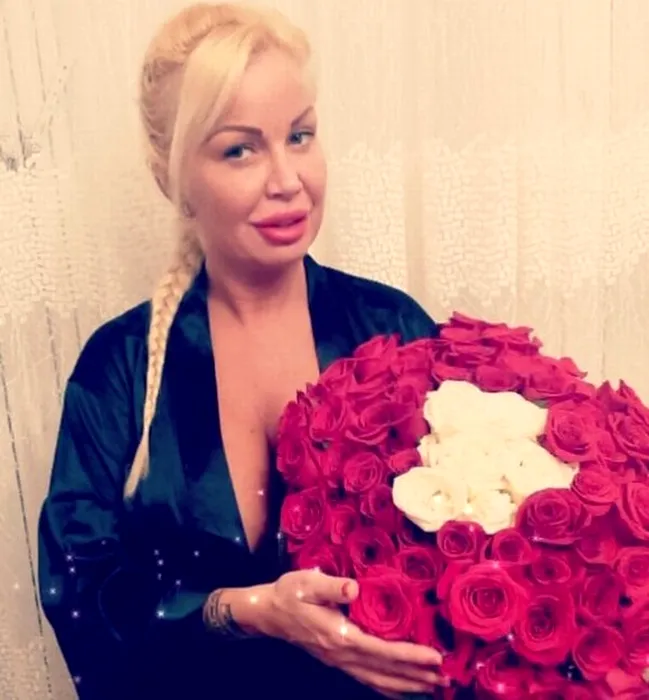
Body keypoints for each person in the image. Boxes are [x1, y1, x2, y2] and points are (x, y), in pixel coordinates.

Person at [38, 4, 447, 699]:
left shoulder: (392, 330)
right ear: (173, 178)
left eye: (300, 135)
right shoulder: (120, 366)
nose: (287, 179)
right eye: (239, 149)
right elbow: (80, 589)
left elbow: (475, 555)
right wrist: (246, 611)